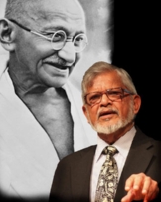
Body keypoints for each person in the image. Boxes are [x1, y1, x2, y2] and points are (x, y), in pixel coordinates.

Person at [0, 0, 96, 199]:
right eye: (54, 36)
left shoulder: (93, 109)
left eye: (77, 40)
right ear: (7, 35)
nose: (69, 55)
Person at [49, 61, 161, 202]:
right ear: (86, 114)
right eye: (94, 98)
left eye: (114, 93)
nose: (104, 102)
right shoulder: (67, 167)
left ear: (135, 104)